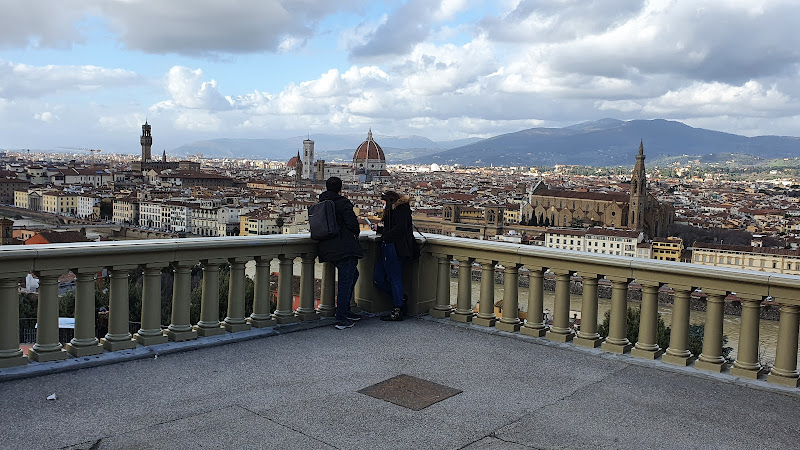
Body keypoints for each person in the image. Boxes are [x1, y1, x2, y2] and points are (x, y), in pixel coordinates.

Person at [317, 176, 364, 329]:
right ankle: (342, 318)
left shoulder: (321, 203)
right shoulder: (343, 203)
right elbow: (352, 224)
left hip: (327, 246)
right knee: (345, 282)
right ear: (340, 189)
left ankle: (346, 311)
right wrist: (356, 231)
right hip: (344, 248)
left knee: (353, 276)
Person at [374, 190, 417, 321]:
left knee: (394, 278)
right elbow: (396, 228)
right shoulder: (399, 210)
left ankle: (397, 309)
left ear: (389, 201)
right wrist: (380, 230)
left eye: (383, 201)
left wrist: (385, 236)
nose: (382, 204)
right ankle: (400, 298)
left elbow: (399, 229)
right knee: (378, 278)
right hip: (391, 246)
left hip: (394, 247)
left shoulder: (398, 211)